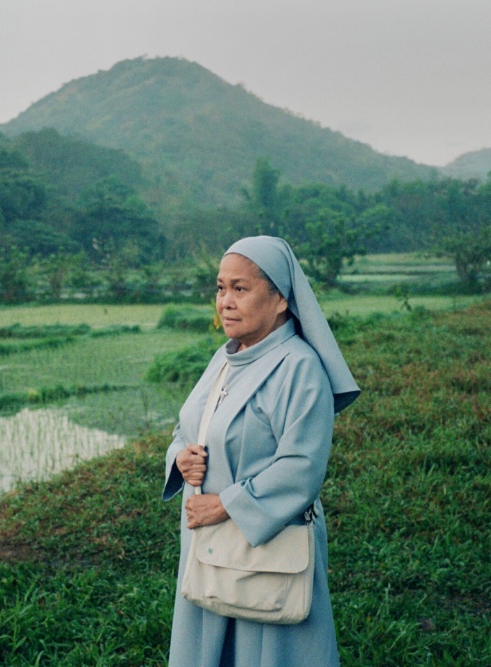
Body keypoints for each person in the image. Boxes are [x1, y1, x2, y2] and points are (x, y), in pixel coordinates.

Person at [162, 236, 360, 667]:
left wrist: (225, 505)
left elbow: (301, 466)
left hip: (266, 549)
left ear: (281, 299)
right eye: (220, 288)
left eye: (240, 288)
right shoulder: (225, 358)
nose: (225, 302)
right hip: (206, 546)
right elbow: (188, 425)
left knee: (266, 648)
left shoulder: (299, 367)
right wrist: (180, 456)